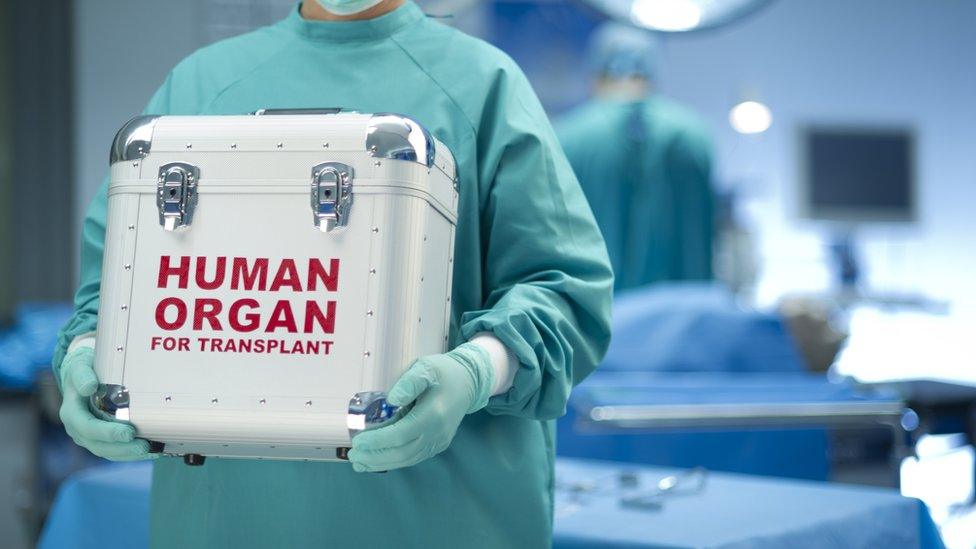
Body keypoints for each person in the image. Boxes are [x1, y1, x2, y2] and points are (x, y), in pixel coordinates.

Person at [52, 1, 613, 547]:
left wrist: (474, 374)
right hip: (232, 519)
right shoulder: (200, 85)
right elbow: (112, 290)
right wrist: (85, 358)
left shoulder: (482, 84)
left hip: (438, 517)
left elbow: (565, 294)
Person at [556, 22, 714, 292]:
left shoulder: (567, 138)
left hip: (594, 325)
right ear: (653, 73)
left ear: (595, 75)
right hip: (682, 322)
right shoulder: (693, 136)